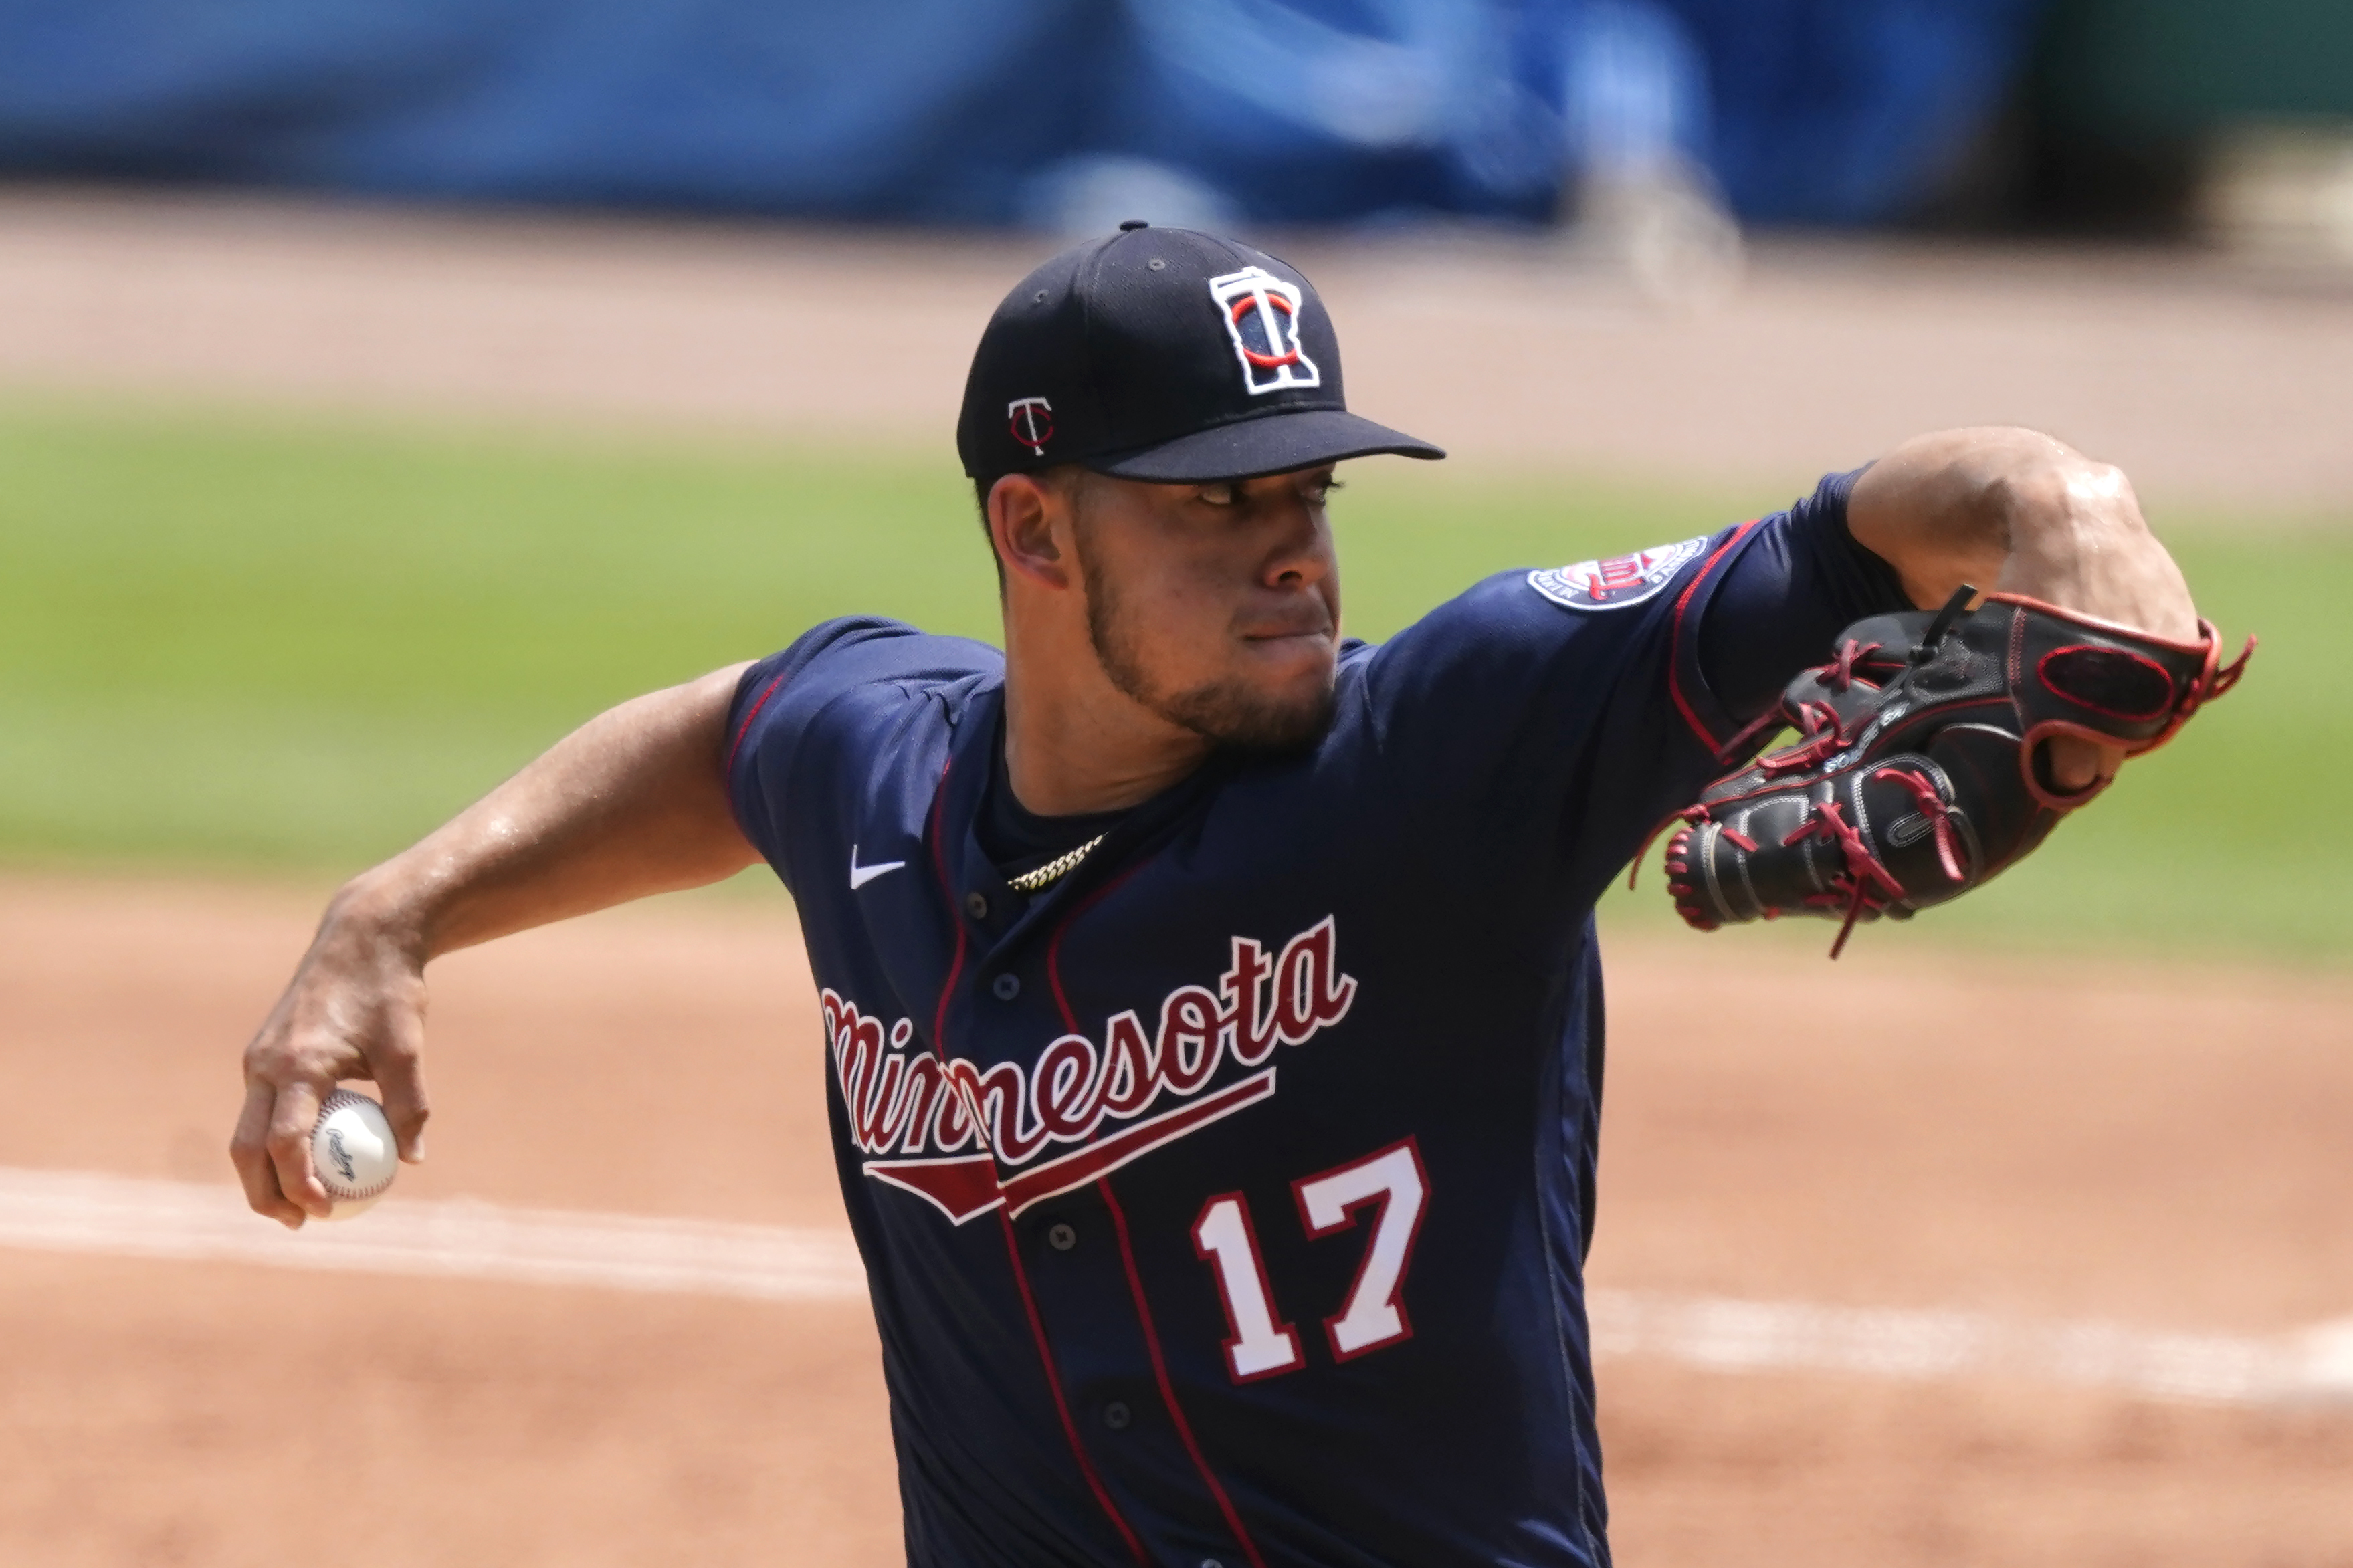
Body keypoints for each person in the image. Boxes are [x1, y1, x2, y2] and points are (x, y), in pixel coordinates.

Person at [235, 223, 2200, 1567]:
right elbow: (727, 733)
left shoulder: (1448, 753)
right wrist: (385, 919)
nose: (1293, 559)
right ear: (1031, 529)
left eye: (1307, 496)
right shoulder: (877, 773)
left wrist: (2069, 530)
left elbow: (1889, 521)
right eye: (1214, 505)